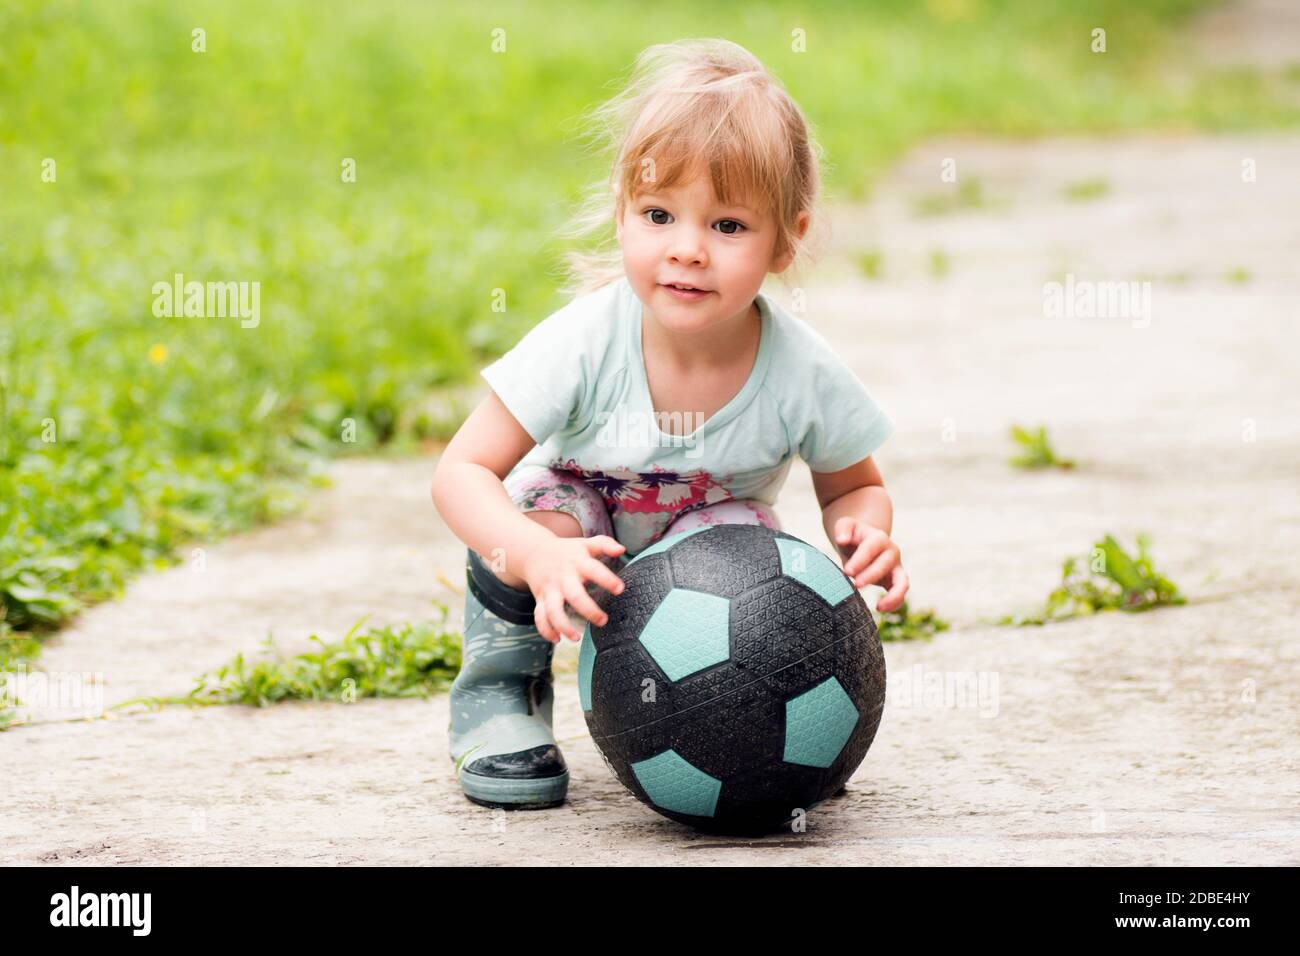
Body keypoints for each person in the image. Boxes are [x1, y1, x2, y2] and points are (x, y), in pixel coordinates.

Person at [431, 38, 907, 810]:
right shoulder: (584, 342)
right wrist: (530, 553)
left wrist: (865, 532)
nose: (687, 250)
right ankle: (499, 695)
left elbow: (854, 485)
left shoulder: (802, 370)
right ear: (622, 213)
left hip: (711, 548)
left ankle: (751, 734)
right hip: (579, 526)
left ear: (787, 238)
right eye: (659, 215)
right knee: (537, 520)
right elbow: (461, 472)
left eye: (728, 226)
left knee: (757, 557)